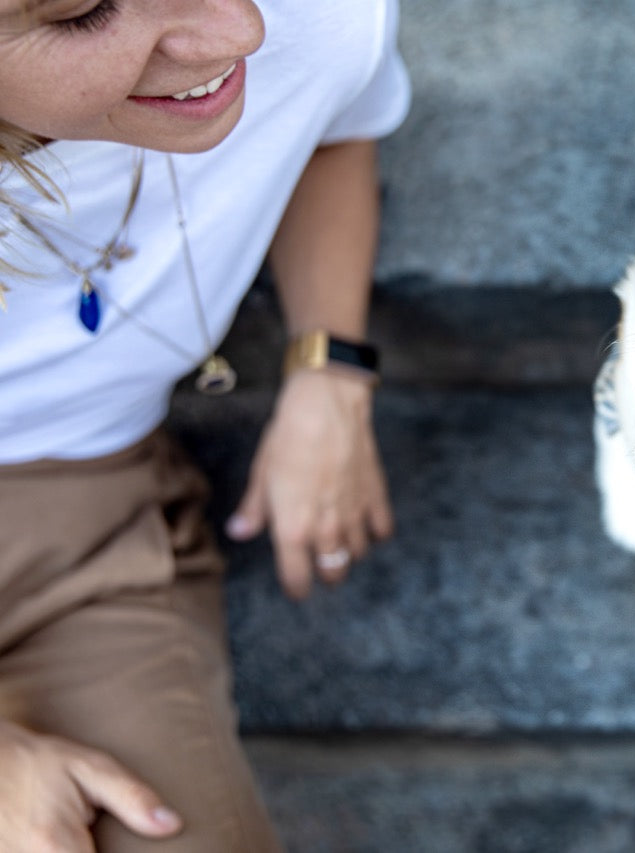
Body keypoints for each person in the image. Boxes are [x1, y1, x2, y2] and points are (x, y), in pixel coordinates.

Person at [0, 0, 409, 849]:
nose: (240, 30)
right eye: (83, 11)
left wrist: (330, 370)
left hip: (84, 534)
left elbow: (328, 116)